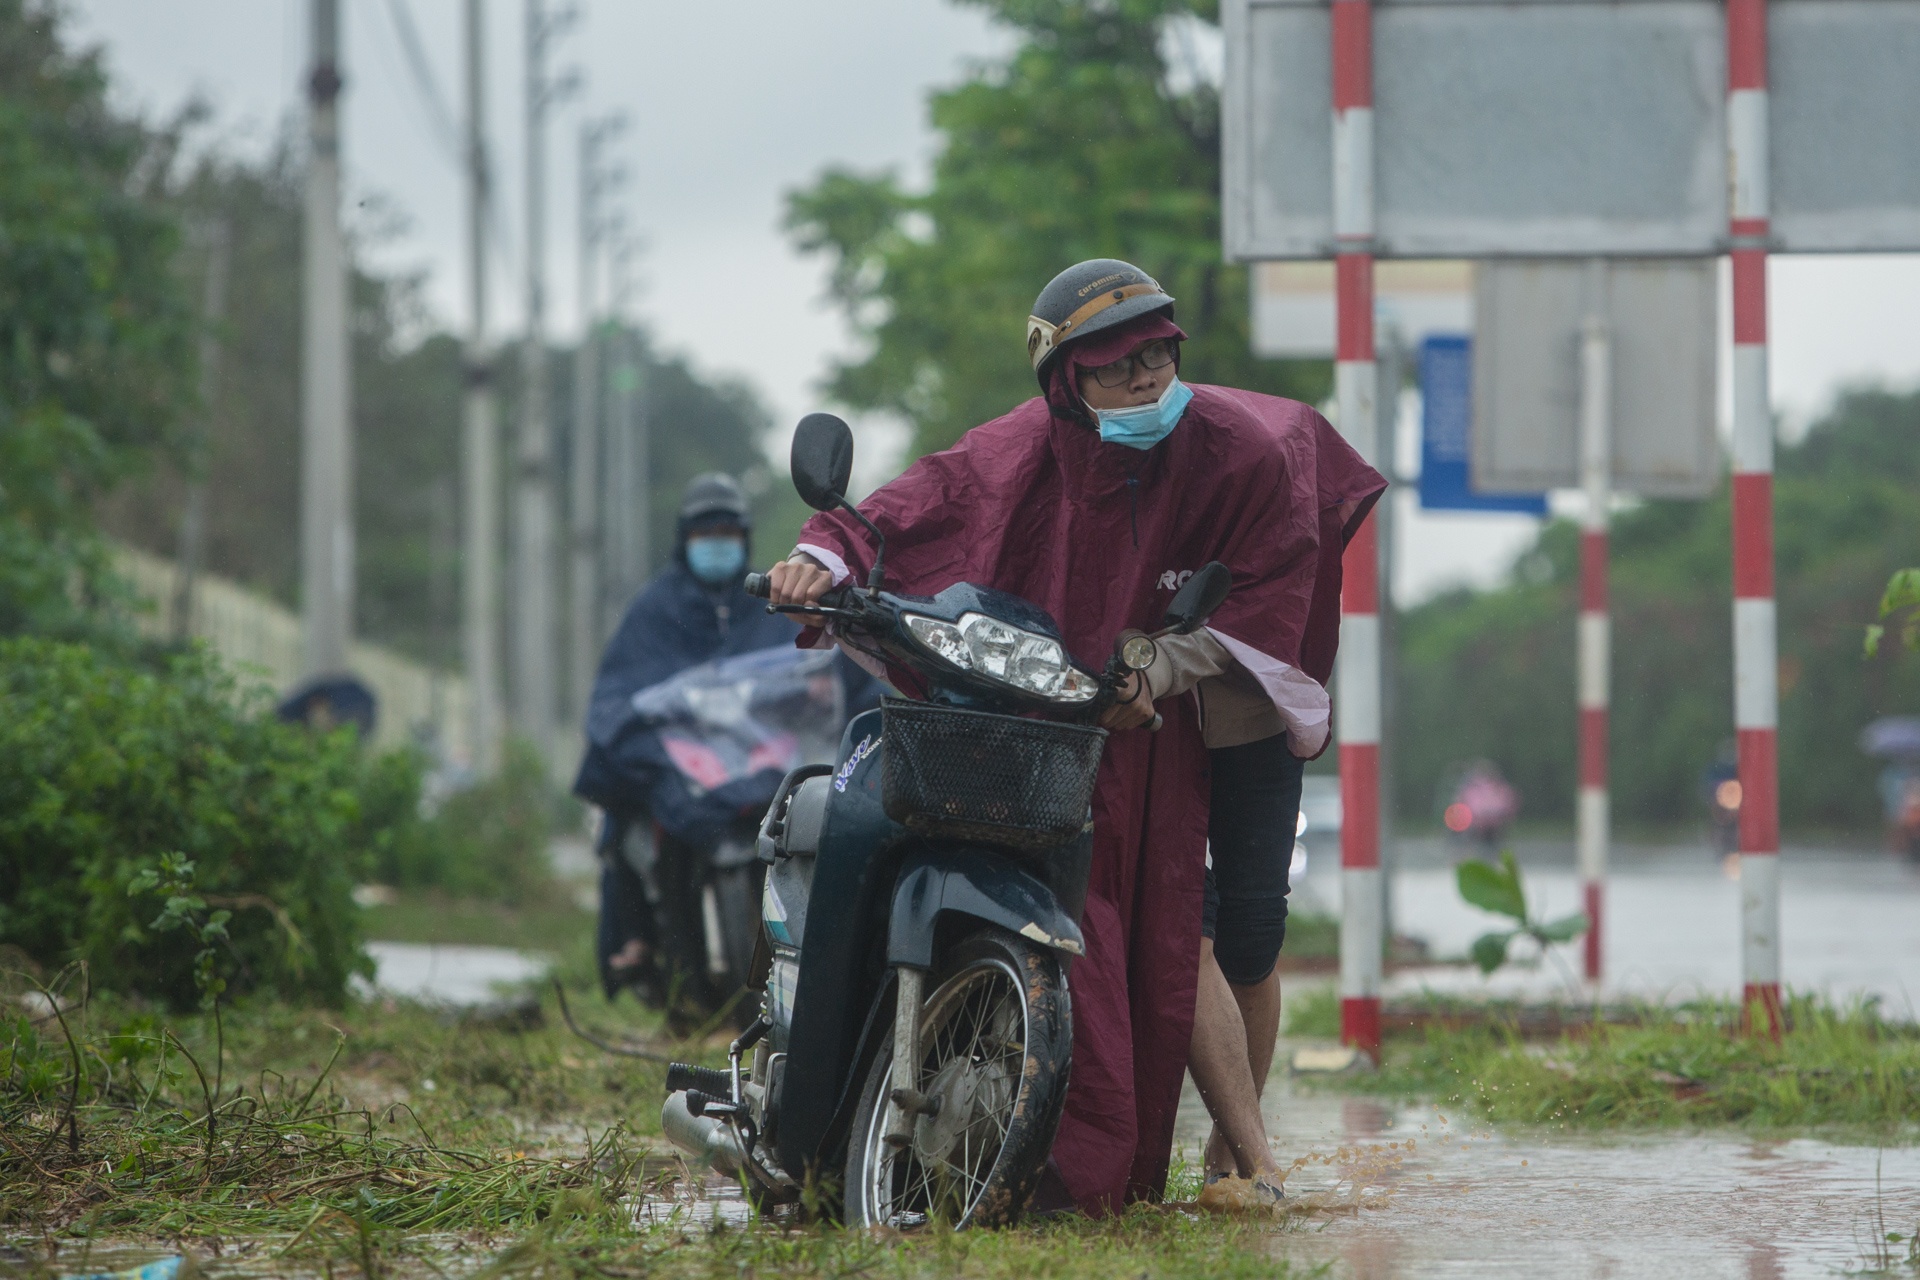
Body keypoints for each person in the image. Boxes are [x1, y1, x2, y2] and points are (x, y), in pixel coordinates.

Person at [768, 258, 1383, 1214]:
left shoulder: (1250, 451)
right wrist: (817, 556)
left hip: (1234, 693)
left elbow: (1269, 598)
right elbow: (912, 506)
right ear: (1063, 383)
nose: (1144, 379)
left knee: (1249, 936)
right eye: (1115, 365)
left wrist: (1160, 667)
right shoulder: (1021, 447)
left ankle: (1235, 1155)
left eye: (1156, 356)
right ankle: (1251, 1168)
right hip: (1109, 705)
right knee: (1184, 921)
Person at [575, 473, 874, 1002]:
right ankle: (639, 942)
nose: (717, 543)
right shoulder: (655, 609)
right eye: (705, 533)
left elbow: (828, 669)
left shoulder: (773, 600)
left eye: (728, 532)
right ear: (684, 539)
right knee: (622, 819)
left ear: (745, 536)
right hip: (683, 770)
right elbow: (619, 696)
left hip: (765, 765)